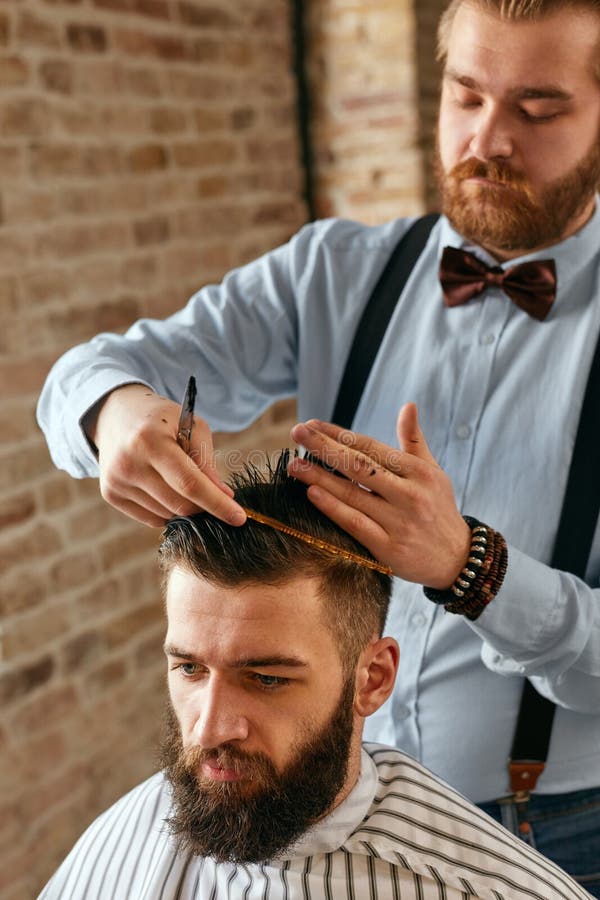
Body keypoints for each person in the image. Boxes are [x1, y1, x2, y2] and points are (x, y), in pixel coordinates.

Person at [37, 0, 600, 889]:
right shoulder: (337, 273)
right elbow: (95, 367)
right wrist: (118, 414)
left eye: (537, 110)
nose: (485, 139)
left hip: (552, 836)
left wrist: (472, 567)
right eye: (464, 95)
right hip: (316, 810)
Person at [38, 457, 592, 900]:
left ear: (372, 679)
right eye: (189, 668)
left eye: (267, 679)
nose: (208, 731)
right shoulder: (131, 828)